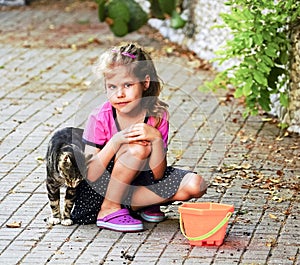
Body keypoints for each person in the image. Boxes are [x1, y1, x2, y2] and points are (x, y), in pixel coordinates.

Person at [71, 43, 207, 232]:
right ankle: (109, 209)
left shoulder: (157, 115)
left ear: (145, 82)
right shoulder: (100, 116)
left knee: (196, 185)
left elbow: (157, 174)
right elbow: (91, 173)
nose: (120, 94)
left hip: (140, 185)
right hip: (100, 190)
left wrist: (157, 139)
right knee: (138, 148)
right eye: (112, 86)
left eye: (127, 85)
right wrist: (116, 141)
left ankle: (139, 206)